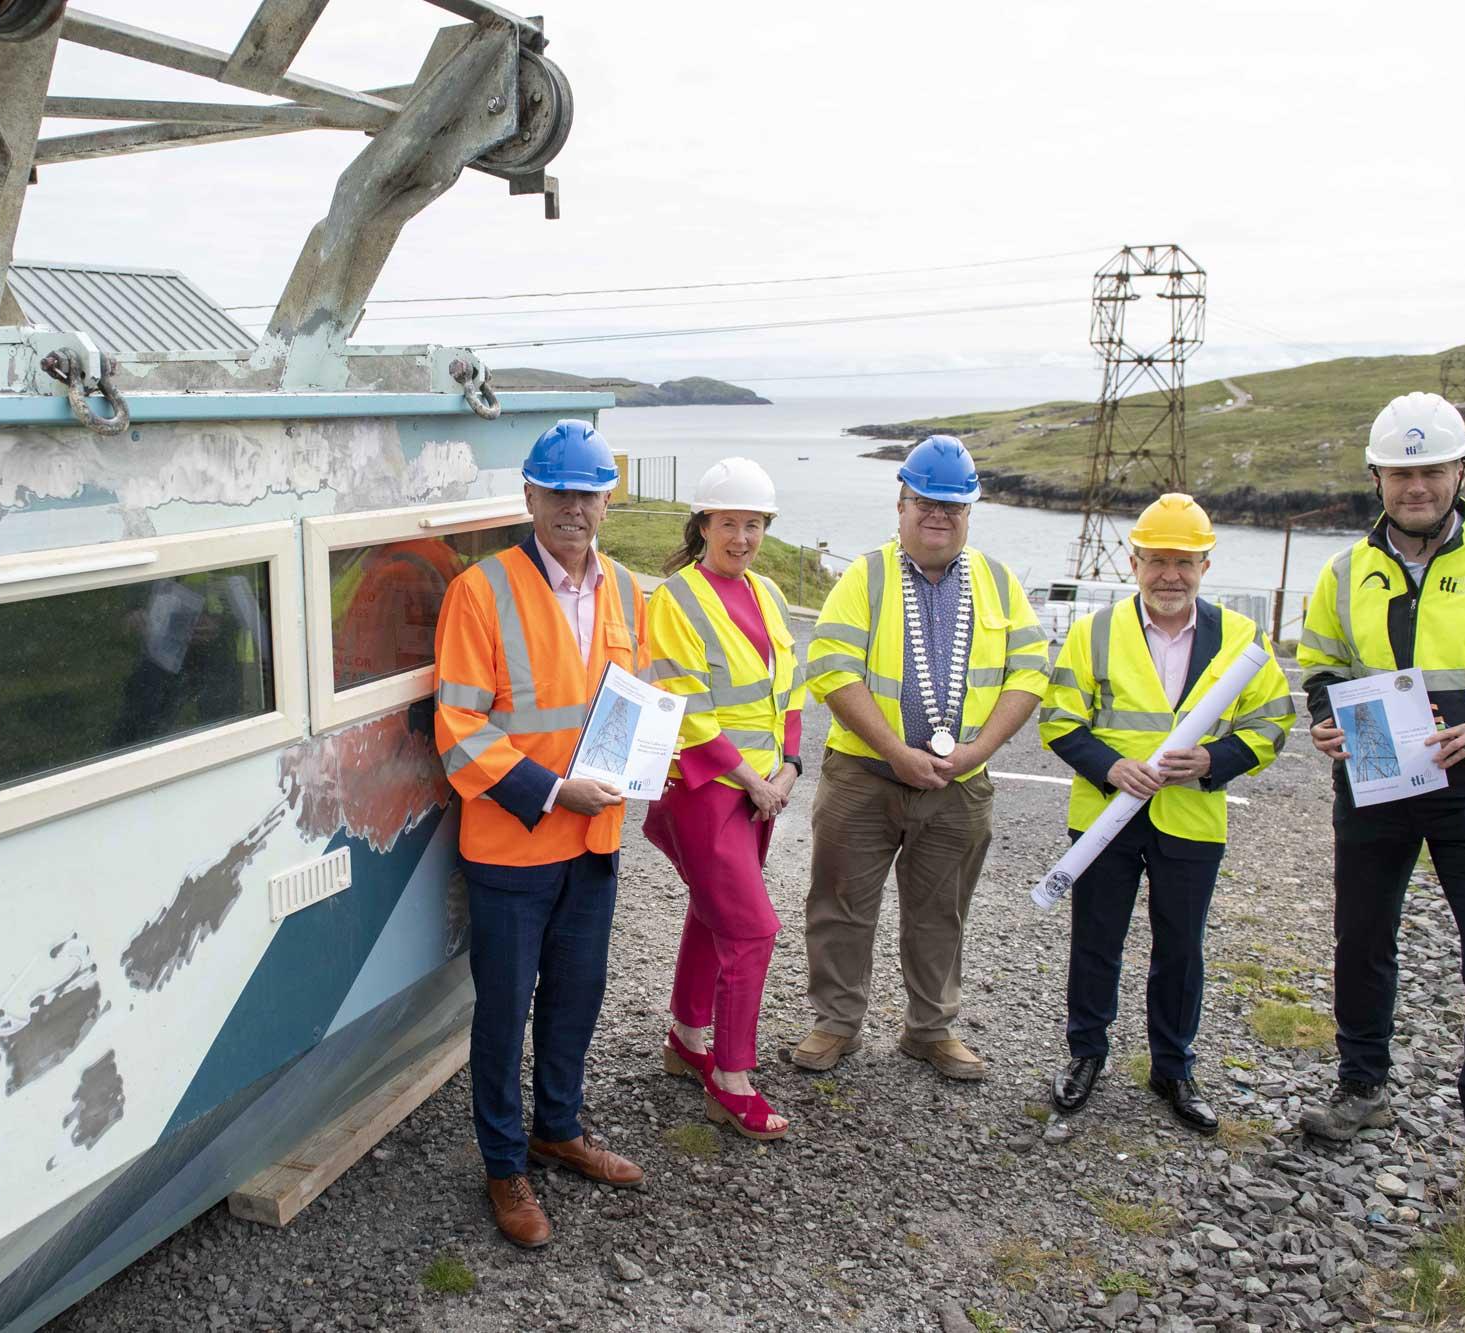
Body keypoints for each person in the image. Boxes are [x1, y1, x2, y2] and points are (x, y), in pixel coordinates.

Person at [1296, 391, 1465, 1214]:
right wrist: (1326, 721)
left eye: (1431, 469)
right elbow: (1322, 668)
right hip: (1372, 773)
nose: (1416, 486)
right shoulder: (1341, 574)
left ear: (1461, 472)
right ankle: (1362, 1086)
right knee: (1361, 939)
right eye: (1401, 472)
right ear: (1376, 477)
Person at [432, 419, 652, 1249]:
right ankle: (502, 1163)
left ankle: (558, 1127)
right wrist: (555, 789)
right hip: (514, 847)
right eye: (558, 490)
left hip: (593, 844)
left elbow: (639, 699)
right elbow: (457, 725)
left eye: (588, 491)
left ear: (605, 500)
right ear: (528, 496)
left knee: (575, 997)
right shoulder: (479, 591)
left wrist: (642, 766)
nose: (574, 506)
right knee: (503, 1013)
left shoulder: (629, 590)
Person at [1037, 494, 1294, 1134]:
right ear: (1134, 562)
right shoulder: (1093, 632)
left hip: (1193, 820)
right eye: (1157, 561)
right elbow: (1059, 719)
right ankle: (1085, 1054)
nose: (1170, 575)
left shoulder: (1241, 639)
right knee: (1096, 941)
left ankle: (1173, 1067)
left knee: (1181, 948)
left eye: (1184, 562)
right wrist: (1109, 766)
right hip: (1105, 816)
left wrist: (1215, 760)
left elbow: (1274, 722)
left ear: (1206, 564)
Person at [794, 435, 1049, 1079]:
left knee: (941, 910)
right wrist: (894, 750)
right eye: (924, 503)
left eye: (953, 506)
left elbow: (1029, 672)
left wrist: (978, 752)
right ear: (901, 504)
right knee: (841, 904)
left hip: (961, 782)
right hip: (866, 774)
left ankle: (930, 1029)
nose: (938, 515)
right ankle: (837, 1023)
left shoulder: (996, 581)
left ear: (970, 513)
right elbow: (831, 667)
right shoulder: (866, 575)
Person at [643, 458, 805, 1140]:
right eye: (729, 522)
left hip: (761, 788)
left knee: (715, 913)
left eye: (754, 524)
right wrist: (756, 780)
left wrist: (791, 764)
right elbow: (686, 708)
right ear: (702, 523)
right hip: (707, 790)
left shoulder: (766, 591)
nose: (741, 537)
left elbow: (789, 686)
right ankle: (730, 1078)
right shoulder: (674, 599)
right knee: (751, 927)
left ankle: (686, 1036)